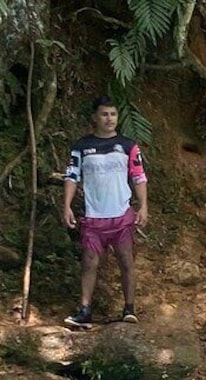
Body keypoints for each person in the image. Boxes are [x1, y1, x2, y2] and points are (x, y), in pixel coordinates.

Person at [62, 95, 149, 328]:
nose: (109, 118)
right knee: (89, 261)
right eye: (104, 114)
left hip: (121, 214)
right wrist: (67, 205)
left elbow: (138, 176)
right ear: (95, 117)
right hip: (93, 216)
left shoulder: (128, 146)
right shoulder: (81, 146)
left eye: (113, 114)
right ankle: (85, 310)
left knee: (125, 259)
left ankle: (129, 309)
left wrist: (143, 205)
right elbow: (72, 176)